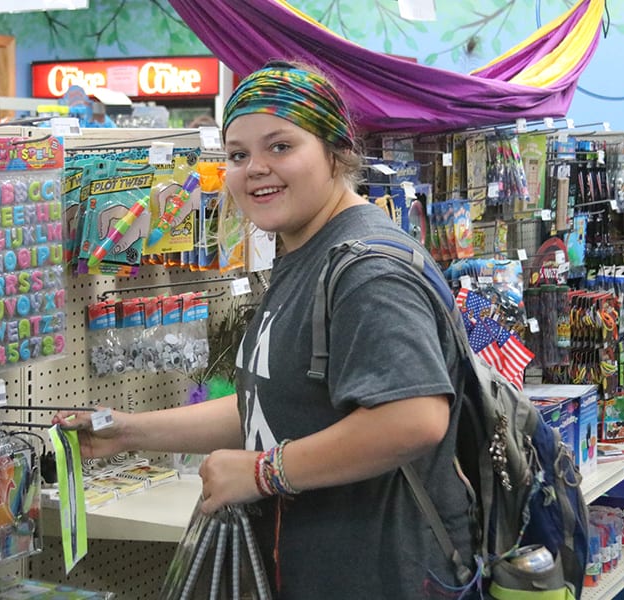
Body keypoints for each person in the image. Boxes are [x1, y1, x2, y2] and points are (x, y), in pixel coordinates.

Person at [54, 60, 476, 599]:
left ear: (336, 152)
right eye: (238, 154)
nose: (255, 168)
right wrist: (131, 431)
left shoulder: (366, 269)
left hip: (384, 577)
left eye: (280, 146)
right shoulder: (305, 251)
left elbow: (412, 419)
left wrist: (262, 473)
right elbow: (272, 404)